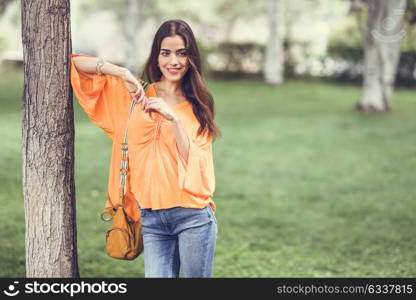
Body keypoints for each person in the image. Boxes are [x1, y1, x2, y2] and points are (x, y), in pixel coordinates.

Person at [69, 19, 221, 278]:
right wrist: (121, 73)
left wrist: (172, 118)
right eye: (166, 52)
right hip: (150, 220)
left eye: (182, 53)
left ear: (191, 58)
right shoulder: (132, 96)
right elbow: (74, 63)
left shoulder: (198, 104)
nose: (174, 61)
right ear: (156, 56)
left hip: (193, 217)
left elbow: (196, 164)